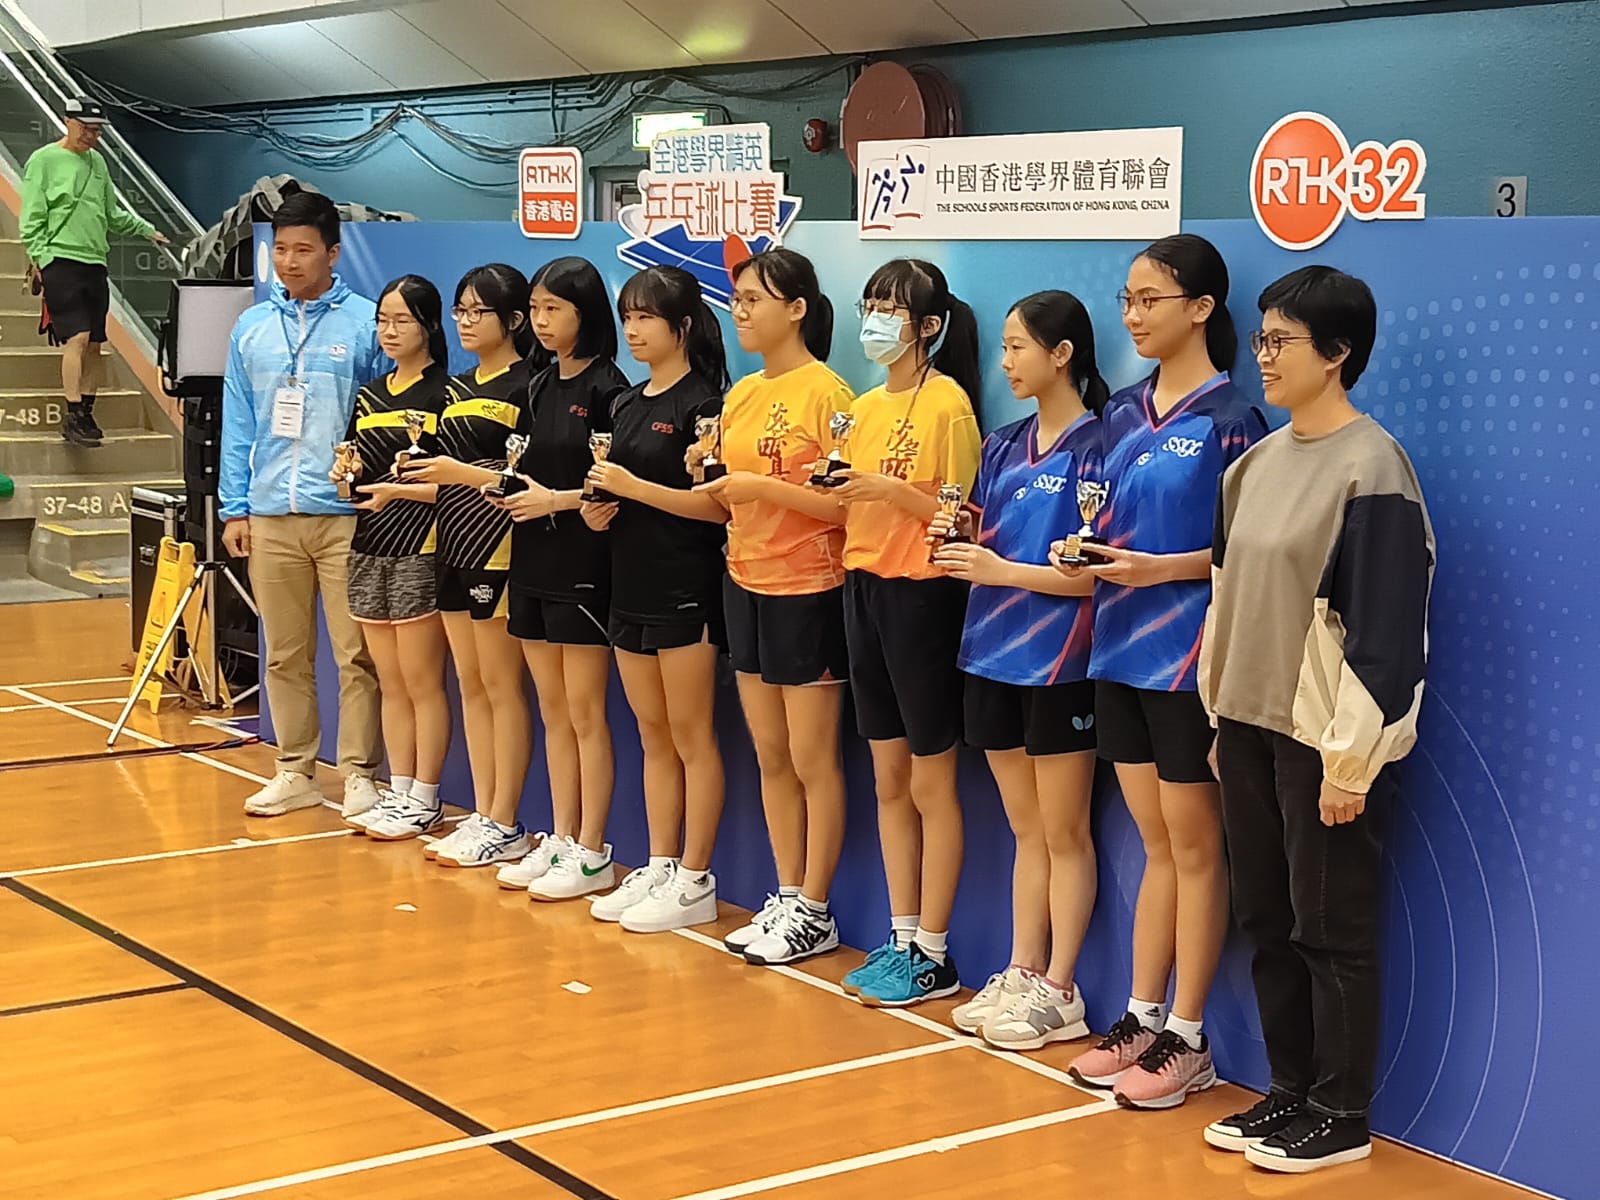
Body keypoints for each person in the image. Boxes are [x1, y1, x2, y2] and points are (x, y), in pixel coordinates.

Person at [1199, 267, 1432, 1173]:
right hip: (1247, 727)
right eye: (1260, 339)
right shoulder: (1251, 467)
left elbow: (1387, 634)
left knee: (1330, 930)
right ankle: (1290, 1089)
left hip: (1323, 742)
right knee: (1266, 918)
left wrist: (1351, 761)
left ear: (1337, 353)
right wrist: (1219, 716)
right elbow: (1226, 599)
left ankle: (1342, 1112)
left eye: (1280, 341)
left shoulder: (1374, 468)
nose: (1263, 356)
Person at [1058, 234, 1266, 1108]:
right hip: (1116, 650)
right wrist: (1084, 553)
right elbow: (1102, 518)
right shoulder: (1118, 413)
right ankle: (1142, 1017)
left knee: (1196, 846)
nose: (1134, 316)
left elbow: (1245, 555)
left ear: (1202, 308)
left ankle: (1190, 1035)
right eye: (1128, 300)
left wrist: (1159, 570)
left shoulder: (1234, 421)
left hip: (1188, 661)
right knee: (1155, 845)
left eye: (1151, 299)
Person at [934, 291, 1105, 1048]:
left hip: (1060, 661)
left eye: (1018, 348)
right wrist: (963, 534)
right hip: (990, 651)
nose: (1005, 363)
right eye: (1002, 348)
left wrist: (1002, 571)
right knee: (1025, 827)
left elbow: (1093, 575)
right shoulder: (1002, 444)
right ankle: (1022, 968)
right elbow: (991, 535)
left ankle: (1061, 989)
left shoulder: (1100, 446)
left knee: (1065, 830)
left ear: (1061, 355)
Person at [694, 249, 854, 966]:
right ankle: (788, 893)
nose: (742, 310)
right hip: (744, 579)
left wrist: (761, 487)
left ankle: (816, 908)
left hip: (808, 587)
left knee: (812, 757)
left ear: (797, 308)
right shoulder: (741, 395)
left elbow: (845, 505)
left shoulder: (829, 393)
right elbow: (728, 491)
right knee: (771, 753)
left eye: (755, 298)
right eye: (737, 299)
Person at [834, 259, 982, 1008]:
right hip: (862, 588)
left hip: (923, 595)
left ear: (929, 325)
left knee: (930, 780)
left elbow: (964, 518)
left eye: (891, 308)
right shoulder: (860, 408)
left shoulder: (949, 404)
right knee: (887, 776)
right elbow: (843, 503)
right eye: (870, 303)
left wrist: (891, 491)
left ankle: (935, 949)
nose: (876, 319)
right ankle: (900, 937)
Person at [219, 192, 384, 819]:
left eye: (303, 250)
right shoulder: (251, 328)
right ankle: (294, 770)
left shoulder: (367, 324)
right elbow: (239, 421)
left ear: (333, 253)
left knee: (355, 655)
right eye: (281, 249)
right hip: (269, 515)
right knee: (284, 654)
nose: (289, 261)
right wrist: (235, 508)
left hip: (345, 517)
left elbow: (386, 417)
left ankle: (360, 774)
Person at [582, 265, 729, 934]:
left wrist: (633, 488)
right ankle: (661, 861)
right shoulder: (625, 402)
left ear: (683, 326)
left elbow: (715, 506)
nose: (634, 330)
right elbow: (612, 492)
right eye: (628, 317)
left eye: (647, 317)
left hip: (684, 588)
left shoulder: (704, 405)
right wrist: (597, 511)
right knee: (652, 735)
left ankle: (696, 878)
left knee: (692, 736)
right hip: (629, 585)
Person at [490, 257, 628, 900]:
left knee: (584, 712)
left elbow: (614, 488)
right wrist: (509, 491)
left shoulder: (609, 388)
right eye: (535, 309)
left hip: (584, 565)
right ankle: (561, 834)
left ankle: (593, 849)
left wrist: (556, 501)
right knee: (553, 711)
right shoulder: (539, 384)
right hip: (533, 561)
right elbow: (523, 465)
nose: (541, 321)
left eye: (554, 309)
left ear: (585, 313)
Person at [400, 265, 535, 868]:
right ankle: (483, 812)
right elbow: (441, 475)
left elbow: (522, 478)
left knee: (502, 687)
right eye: (460, 310)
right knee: (470, 684)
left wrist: (459, 473)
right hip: (450, 544)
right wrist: (402, 480)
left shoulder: (528, 386)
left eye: (478, 311)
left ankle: (506, 820)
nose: (465, 321)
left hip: (498, 547)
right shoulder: (453, 389)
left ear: (514, 319)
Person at [340, 275, 454, 842]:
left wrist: (396, 492)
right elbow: (354, 467)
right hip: (368, 547)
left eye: (401, 320)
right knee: (389, 679)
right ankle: (399, 788)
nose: (389, 330)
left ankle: (425, 797)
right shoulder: (367, 395)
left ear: (429, 325)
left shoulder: (446, 395)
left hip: (420, 548)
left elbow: (454, 487)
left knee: (421, 680)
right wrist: (347, 475)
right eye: (382, 320)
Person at [21, 96, 168, 448]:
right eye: (86, 129)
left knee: (95, 344)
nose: (92, 136)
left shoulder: (97, 163)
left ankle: (87, 411)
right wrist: (40, 257)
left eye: (97, 131)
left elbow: (111, 213)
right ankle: (72, 412)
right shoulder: (43, 160)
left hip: (95, 261)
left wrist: (146, 230)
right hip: (60, 258)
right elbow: (32, 216)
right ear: (68, 122)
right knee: (78, 336)